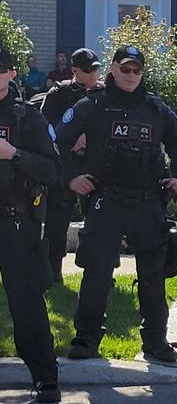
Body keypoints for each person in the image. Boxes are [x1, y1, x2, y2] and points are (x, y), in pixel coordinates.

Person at [54, 46, 177, 363]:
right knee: (97, 273)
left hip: (148, 203)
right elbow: (56, 142)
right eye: (125, 69)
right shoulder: (92, 105)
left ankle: (156, 341)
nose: (131, 75)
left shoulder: (156, 109)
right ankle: (86, 340)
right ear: (113, 69)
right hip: (107, 201)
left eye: (137, 70)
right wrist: (71, 178)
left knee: (153, 276)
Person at [0, 47, 63, 403]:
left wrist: (14, 154)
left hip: (14, 222)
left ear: (11, 73)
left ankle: (45, 377)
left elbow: (54, 171)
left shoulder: (28, 118)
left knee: (26, 304)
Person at [39, 48, 104, 282]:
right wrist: (69, 138)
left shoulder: (104, 93)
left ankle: (101, 270)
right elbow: (45, 126)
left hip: (94, 164)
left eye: (96, 68)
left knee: (100, 219)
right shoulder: (59, 93)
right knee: (58, 220)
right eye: (90, 70)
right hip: (65, 164)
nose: (95, 73)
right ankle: (53, 270)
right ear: (76, 71)